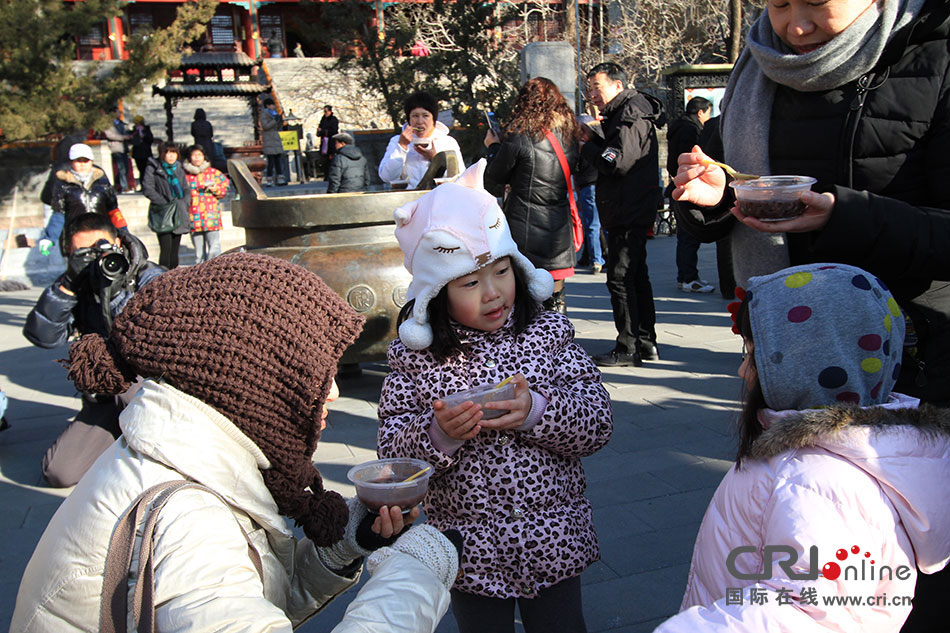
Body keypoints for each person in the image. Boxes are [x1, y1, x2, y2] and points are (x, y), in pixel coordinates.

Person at [11, 252, 462, 633]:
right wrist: (413, 574)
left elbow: (247, 599)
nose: (334, 394)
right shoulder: (189, 520)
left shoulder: (178, 458)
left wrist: (343, 546)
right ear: (258, 384)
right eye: (315, 375)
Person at [378, 160, 613, 633]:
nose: (493, 293)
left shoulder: (547, 331)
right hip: (468, 547)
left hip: (554, 537)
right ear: (436, 292)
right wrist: (438, 435)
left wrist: (537, 411)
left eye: (502, 271)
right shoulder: (415, 356)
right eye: (469, 282)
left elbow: (597, 420)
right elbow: (391, 454)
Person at [654, 262, 950, 633]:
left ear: (798, 367)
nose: (743, 371)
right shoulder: (822, 461)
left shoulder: (817, 479)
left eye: (752, 354)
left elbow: (811, 617)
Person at [23, 212, 163, 487]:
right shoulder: (78, 286)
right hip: (105, 394)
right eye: (84, 253)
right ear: (70, 254)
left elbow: (156, 334)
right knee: (59, 472)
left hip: (152, 390)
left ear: (119, 243)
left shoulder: (148, 277)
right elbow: (43, 336)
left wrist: (115, 288)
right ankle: (122, 441)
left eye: (102, 248)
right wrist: (68, 284)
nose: (96, 258)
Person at [580, 62, 666, 367]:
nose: (592, 94)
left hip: (628, 208)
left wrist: (588, 145)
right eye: (589, 87)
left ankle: (628, 346)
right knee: (636, 275)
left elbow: (616, 161)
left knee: (620, 278)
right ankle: (645, 342)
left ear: (617, 85)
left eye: (597, 87)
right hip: (627, 205)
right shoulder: (627, 111)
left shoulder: (630, 113)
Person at [483, 77, 579, 315]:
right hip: (559, 226)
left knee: (526, 294)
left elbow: (496, 174)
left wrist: (493, 146)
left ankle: (531, 345)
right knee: (556, 294)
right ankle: (559, 338)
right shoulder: (568, 136)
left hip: (524, 226)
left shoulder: (520, 135)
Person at [37, 143, 130, 257]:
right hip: (77, 238)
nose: (82, 164)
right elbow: (59, 214)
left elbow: (113, 210)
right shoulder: (63, 185)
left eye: (85, 160)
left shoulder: (102, 183)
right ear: (71, 162)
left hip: (101, 235)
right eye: (78, 160)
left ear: (91, 161)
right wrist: (49, 237)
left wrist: (124, 233)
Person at [666, 96, 714, 294]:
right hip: (689, 186)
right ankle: (689, 278)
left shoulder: (678, 127)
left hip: (678, 185)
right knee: (689, 236)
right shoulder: (692, 130)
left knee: (684, 236)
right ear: (700, 112)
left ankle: (684, 277)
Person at [378, 91, 464, 190]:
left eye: (425, 116)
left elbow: (460, 178)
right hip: (408, 202)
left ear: (433, 119)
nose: (420, 121)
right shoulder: (397, 141)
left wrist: (435, 159)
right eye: (415, 116)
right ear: (409, 119)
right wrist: (402, 147)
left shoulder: (447, 142)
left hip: (439, 201)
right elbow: (386, 177)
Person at [143, 141, 191, 269]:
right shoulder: (154, 168)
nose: (171, 156)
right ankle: (162, 276)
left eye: (174, 153)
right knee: (166, 249)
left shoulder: (179, 168)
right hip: (163, 212)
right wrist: (164, 201)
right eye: (168, 153)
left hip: (179, 210)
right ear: (162, 154)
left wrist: (185, 201)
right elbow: (148, 188)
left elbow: (185, 188)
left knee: (175, 250)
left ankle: (173, 277)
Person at [183, 144, 229, 263]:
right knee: (199, 253)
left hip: (211, 216)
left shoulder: (214, 173)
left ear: (204, 156)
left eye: (199, 155)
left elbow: (225, 188)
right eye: (194, 155)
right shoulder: (185, 175)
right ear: (189, 157)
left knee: (214, 248)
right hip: (193, 216)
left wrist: (215, 189)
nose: (197, 158)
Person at [576, 114, 605, 274]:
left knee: (593, 225)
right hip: (599, 184)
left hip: (588, 186)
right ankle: (601, 257)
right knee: (601, 224)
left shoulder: (582, 147)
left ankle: (596, 259)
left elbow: (575, 169)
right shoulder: (600, 144)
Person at [103, 110, 133, 194]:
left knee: (125, 168)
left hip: (124, 148)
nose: (120, 114)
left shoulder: (121, 123)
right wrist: (123, 137)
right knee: (121, 168)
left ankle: (117, 185)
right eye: (118, 112)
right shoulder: (108, 124)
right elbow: (109, 135)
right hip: (116, 148)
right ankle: (124, 187)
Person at [261, 97, 287, 187]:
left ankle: (280, 178)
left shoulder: (274, 114)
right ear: (267, 106)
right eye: (272, 105)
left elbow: (277, 126)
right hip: (269, 139)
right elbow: (265, 126)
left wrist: (279, 120)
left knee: (278, 160)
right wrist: (274, 121)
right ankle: (269, 179)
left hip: (275, 138)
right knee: (271, 161)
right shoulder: (264, 114)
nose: (273, 106)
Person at [129, 115, 154, 189]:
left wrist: (143, 135)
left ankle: (148, 185)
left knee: (147, 169)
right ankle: (143, 185)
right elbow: (132, 141)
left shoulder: (146, 129)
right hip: (137, 153)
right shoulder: (134, 130)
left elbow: (150, 139)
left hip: (146, 152)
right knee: (141, 170)